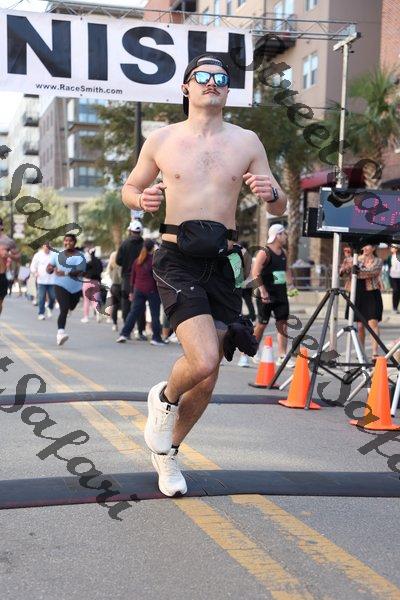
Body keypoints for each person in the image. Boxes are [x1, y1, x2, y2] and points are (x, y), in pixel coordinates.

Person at [121, 53, 286, 497]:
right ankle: (164, 399)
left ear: (228, 89)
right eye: (203, 76)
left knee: (208, 377)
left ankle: (169, 451)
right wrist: (141, 200)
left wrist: (272, 192)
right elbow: (130, 188)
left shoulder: (247, 141)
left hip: (224, 261)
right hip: (177, 257)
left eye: (221, 77)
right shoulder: (162, 139)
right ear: (186, 87)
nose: (212, 82)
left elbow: (279, 205)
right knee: (205, 359)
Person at [247, 224, 294, 368]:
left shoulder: (284, 252)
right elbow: (255, 273)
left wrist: (291, 285)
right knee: (262, 324)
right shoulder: (264, 252)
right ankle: (252, 351)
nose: (286, 237)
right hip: (266, 295)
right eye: (284, 234)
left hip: (281, 294)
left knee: (282, 323)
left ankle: (282, 356)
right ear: (277, 235)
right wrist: (263, 291)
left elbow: (287, 270)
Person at [116, 238, 166, 345]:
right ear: (153, 248)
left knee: (133, 313)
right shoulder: (154, 260)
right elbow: (158, 277)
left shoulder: (137, 261)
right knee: (155, 315)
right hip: (152, 290)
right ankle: (156, 338)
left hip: (138, 290)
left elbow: (132, 278)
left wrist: (131, 292)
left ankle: (124, 334)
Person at [341, 244, 383, 360]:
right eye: (363, 246)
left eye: (367, 246)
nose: (364, 248)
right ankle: (362, 352)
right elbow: (343, 272)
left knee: (373, 322)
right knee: (359, 325)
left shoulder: (378, 261)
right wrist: (348, 260)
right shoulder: (355, 258)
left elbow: (371, 272)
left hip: (371, 293)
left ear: (373, 248)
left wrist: (356, 269)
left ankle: (374, 352)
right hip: (357, 293)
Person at [47, 234, 86, 346]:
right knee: (64, 309)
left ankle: (69, 309)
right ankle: (60, 333)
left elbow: (81, 271)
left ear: (75, 243)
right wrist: (50, 269)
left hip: (76, 288)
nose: (68, 243)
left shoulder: (80, 256)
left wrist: (65, 273)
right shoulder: (57, 254)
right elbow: (49, 267)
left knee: (71, 307)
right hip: (60, 285)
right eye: (66, 241)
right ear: (63, 242)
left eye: (70, 241)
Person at [30, 242, 56, 320]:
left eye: (49, 247)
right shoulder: (38, 255)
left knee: (53, 297)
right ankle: (41, 313)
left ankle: (50, 308)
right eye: (46, 247)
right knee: (41, 298)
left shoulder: (54, 255)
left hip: (52, 280)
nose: (47, 248)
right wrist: (35, 272)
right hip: (41, 280)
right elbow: (32, 266)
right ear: (43, 247)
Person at [0, 217, 21, 315]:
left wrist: (9, 255)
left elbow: (18, 257)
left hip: (1, 275)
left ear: (1, 226)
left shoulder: (8, 241)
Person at [81, 246, 103, 323]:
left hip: (87, 281)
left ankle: (86, 317)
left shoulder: (88, 260)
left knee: (86, 300)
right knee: (95, 300)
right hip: (96, 282)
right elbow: (101, 270)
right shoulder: (99, 261)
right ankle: (97, 312)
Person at [106, 250, 122, 331]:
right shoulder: (119, 266)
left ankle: (115, 324)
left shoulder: (110, 266)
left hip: (113, 287)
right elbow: (120, 277)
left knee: (115, 306)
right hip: (119, 286)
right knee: (125, 305)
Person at [387, 245, 400, 313]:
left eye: (393, 247)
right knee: (396, 291)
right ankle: (394, 308)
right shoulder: (390, 257)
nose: (391, 248)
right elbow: (389, 267)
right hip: (393, 277)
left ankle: (396, 308)